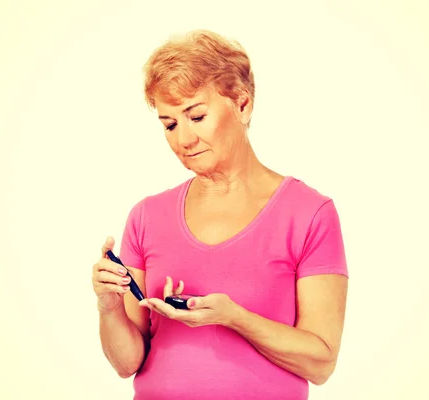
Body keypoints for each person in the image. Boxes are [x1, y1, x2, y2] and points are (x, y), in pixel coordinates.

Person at [91, 29, 349, 400]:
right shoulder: (147, 216)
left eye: (196, 116)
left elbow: (321, 362)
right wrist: (109, 305)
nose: (184, 140)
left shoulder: (309, 213)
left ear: (242, 105)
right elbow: (126, 362)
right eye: (170, 124)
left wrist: (234, 317)